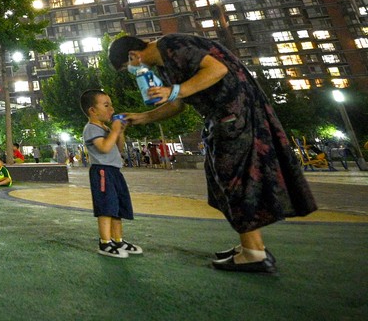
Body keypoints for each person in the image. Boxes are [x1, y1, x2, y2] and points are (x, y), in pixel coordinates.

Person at [109, 34, 317, 273]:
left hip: (235, 115)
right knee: (222, 180)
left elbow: (216, 70)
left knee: (234, 180)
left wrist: (175, 90)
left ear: (134, 56)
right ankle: (251, 245)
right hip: (223, 118)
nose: (132, 71)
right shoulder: (164, 66)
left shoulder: (171, 46)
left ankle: (254, 253)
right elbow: (176, 103)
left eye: (128, 67)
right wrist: (143, 117)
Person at [80, 89, 142, 259]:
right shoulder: (91, 128)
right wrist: (114, 131)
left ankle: (118, 240)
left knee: (117, 206)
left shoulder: (106, 128)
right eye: (106, 105)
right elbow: (104, 147)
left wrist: (120, 132)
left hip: (114, 170)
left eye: (111, 105)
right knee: (106, 207)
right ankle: (105, 242)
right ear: (92, 110)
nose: (111, 109)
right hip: (102, 171)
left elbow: (117, 149)